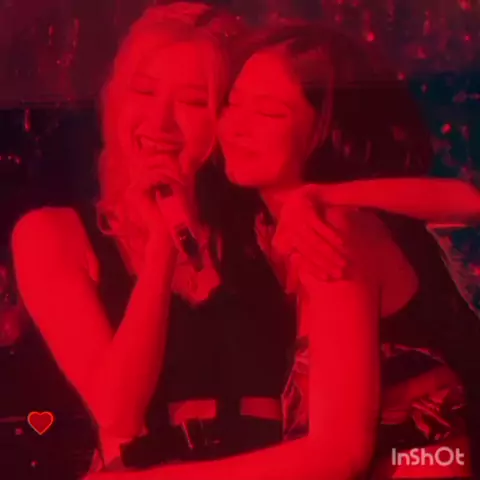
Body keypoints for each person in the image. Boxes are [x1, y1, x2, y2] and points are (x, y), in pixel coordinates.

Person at [11, 4, 480, 479]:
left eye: (196, 102)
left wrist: (322, 196)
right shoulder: (265, 224)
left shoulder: (315, 230)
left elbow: (340, 453)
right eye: (234, 104)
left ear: (320, 130)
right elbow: (118, 414)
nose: (161, 122)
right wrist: (162, 247)